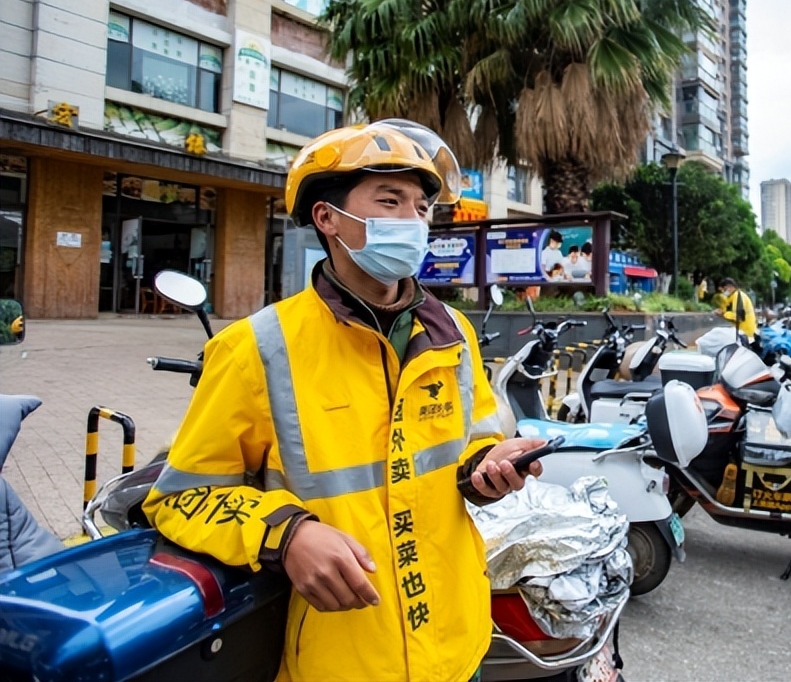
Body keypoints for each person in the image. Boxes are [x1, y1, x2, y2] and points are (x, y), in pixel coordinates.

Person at [143, 120, 548, 682]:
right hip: (340, 659)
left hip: (459, 646)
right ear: (327, 218)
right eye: (389, 200)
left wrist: (487, 466)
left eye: (421, 206)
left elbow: (472, 442)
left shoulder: (453, 332)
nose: (412, 220)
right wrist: (287, 534)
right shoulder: (254, 348)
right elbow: (181, 497)